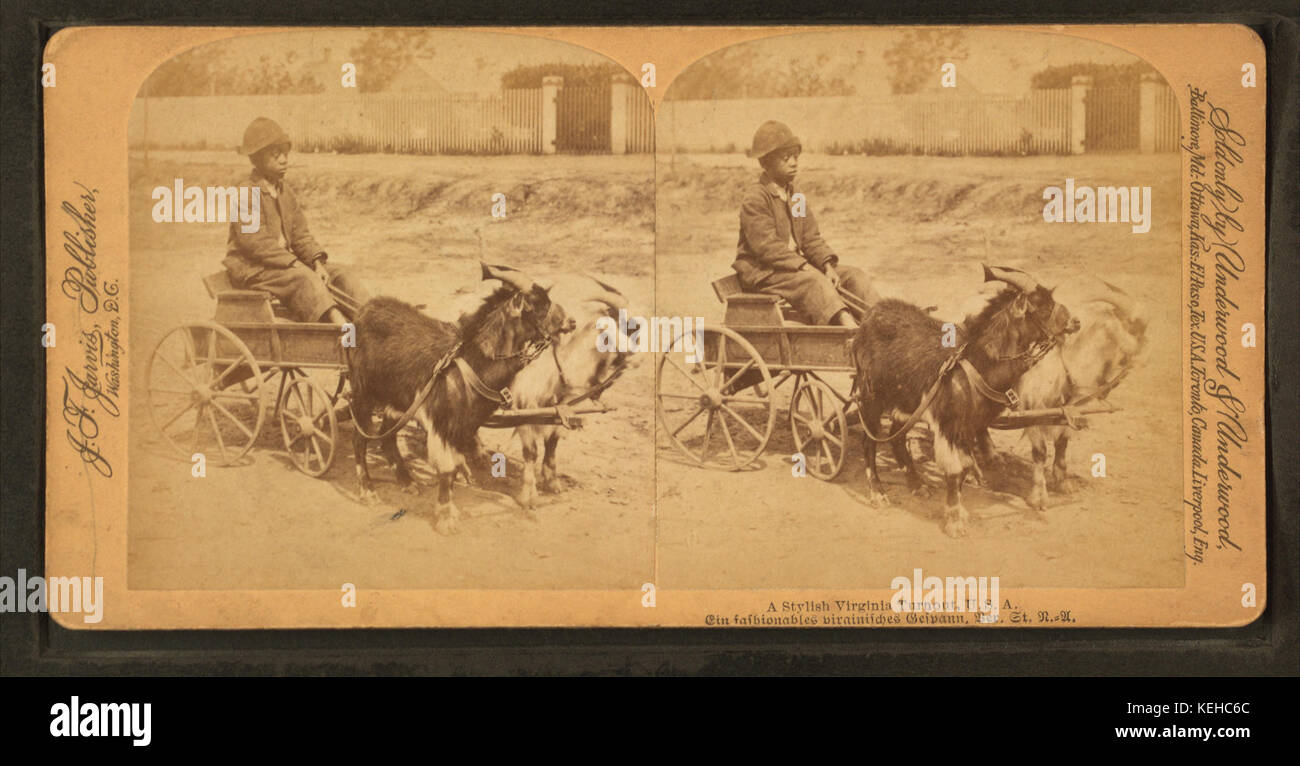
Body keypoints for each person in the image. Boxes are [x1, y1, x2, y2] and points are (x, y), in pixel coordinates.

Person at [733, 120, 878, 327]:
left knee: (853, 276)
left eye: (795, 157)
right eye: (786, 158)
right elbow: (767, 248)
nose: (794, 162)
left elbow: (810, 237)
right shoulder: (755, 199)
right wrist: (806, 267)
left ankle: (881, 324)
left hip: (792, 269)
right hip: (765, 273)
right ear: (766, 163)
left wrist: (826, 266)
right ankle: (850, 329)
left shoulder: (795, 196)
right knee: (814, 282)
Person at [224, 117, 369, 324]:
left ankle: (371, 321)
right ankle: (342, 327)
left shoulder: (285, 192)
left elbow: (301, 235)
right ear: (255, 159)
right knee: (305, 279)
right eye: (276, 155)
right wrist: (295, 264)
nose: (284, 160)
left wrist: (316, 263)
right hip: (254, 269)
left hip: (283, 265)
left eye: (285, 154)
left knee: (339, 274)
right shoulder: (246, 193)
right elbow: (256, 243)